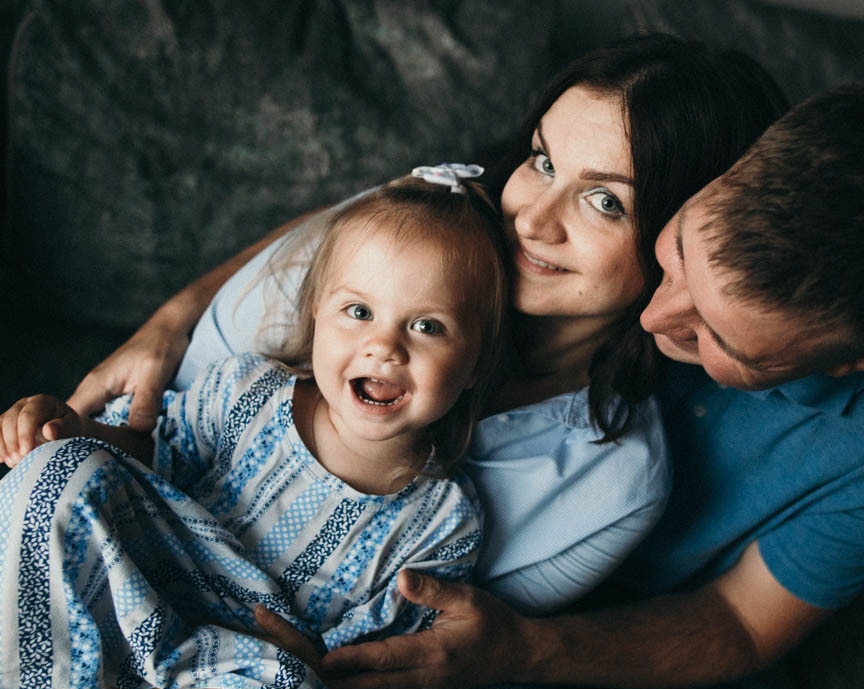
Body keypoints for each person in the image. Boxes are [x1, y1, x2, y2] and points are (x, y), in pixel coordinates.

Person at [256, 81, 864, 689]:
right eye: (676, 258)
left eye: (717, 340)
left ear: (856, 361)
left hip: (631, 643)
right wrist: (171, 322)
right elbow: (390, 229)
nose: (655, 318)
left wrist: (520, 649)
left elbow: (741, 623)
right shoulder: (602, 195)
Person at [65, 34, 788, 622]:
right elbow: (163, 434)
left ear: (685, 243)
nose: (531, 220)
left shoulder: (612, 484)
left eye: (604, 201)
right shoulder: (403, 239)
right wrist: (172, 318)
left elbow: (410, 655)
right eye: (542, 162)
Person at [0, 171, 510, 689]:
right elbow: (145, 459)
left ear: (476, 362)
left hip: (213, 680)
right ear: (317, 316)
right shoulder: (248, 390)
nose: (383, 346)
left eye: (428, 326)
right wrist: (72, 431)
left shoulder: (444, 523)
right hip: (113, 611)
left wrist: (314, 662)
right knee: (64, 467)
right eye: (358, 312)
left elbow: (369, 673)